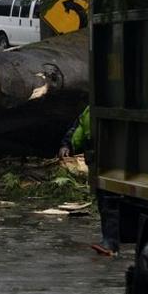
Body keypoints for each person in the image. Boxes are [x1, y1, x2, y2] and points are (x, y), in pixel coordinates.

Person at [59, 106, 120, 256]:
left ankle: (110, 243)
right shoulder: (90, 110)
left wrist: (68, 144)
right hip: (101, 159)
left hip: (107, 161)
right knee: (106, 201)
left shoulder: (93, 109)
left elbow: (78, 131)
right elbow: (78, 129)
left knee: (108, 201)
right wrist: (68, 144)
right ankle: (109, 242)